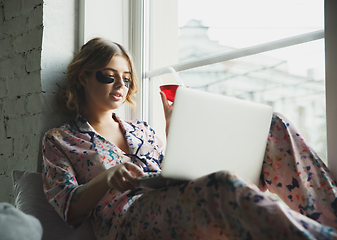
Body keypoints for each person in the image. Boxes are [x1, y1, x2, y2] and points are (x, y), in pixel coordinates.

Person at [42, 37, 337, 240]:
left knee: (272, 126)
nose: (120, 85)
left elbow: (171, 173)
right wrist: (107, 179)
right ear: (83, 77)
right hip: (127, 221)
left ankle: (332, 219)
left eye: (127, 78)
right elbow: (69, 208)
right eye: (109, 76)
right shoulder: (61, 139)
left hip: (172, 199)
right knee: (222, 183)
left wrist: (175, 132)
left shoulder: (141, 129)